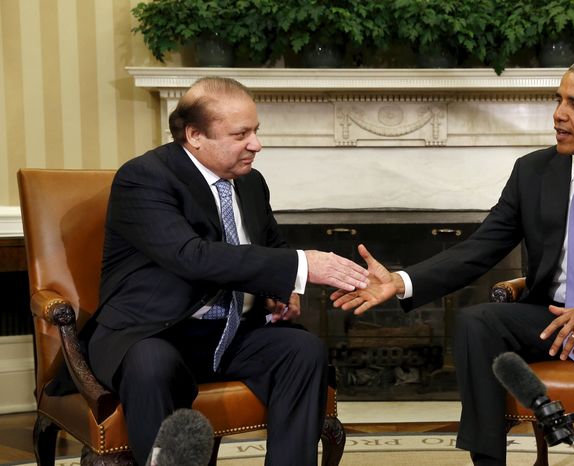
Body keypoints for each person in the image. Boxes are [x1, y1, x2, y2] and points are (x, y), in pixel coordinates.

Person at [332, 56, 574, 465]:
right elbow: (481, 248)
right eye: (558, 100)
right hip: (552, 319)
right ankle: (489, 461)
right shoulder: (533, 172)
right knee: (477, 322)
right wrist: (401, 281)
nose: (558, 115)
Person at [86, 76, 370, 466]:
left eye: (256, 131)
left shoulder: (251, 183)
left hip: (232, 332)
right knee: (151, 364)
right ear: (195, 135)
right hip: (155, 331)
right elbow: (192, 256)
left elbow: (272, 247)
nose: (256, 144)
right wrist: (303, 265)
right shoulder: (145, 178)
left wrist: (282, 290)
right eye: (241, 134)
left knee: (302, 350)